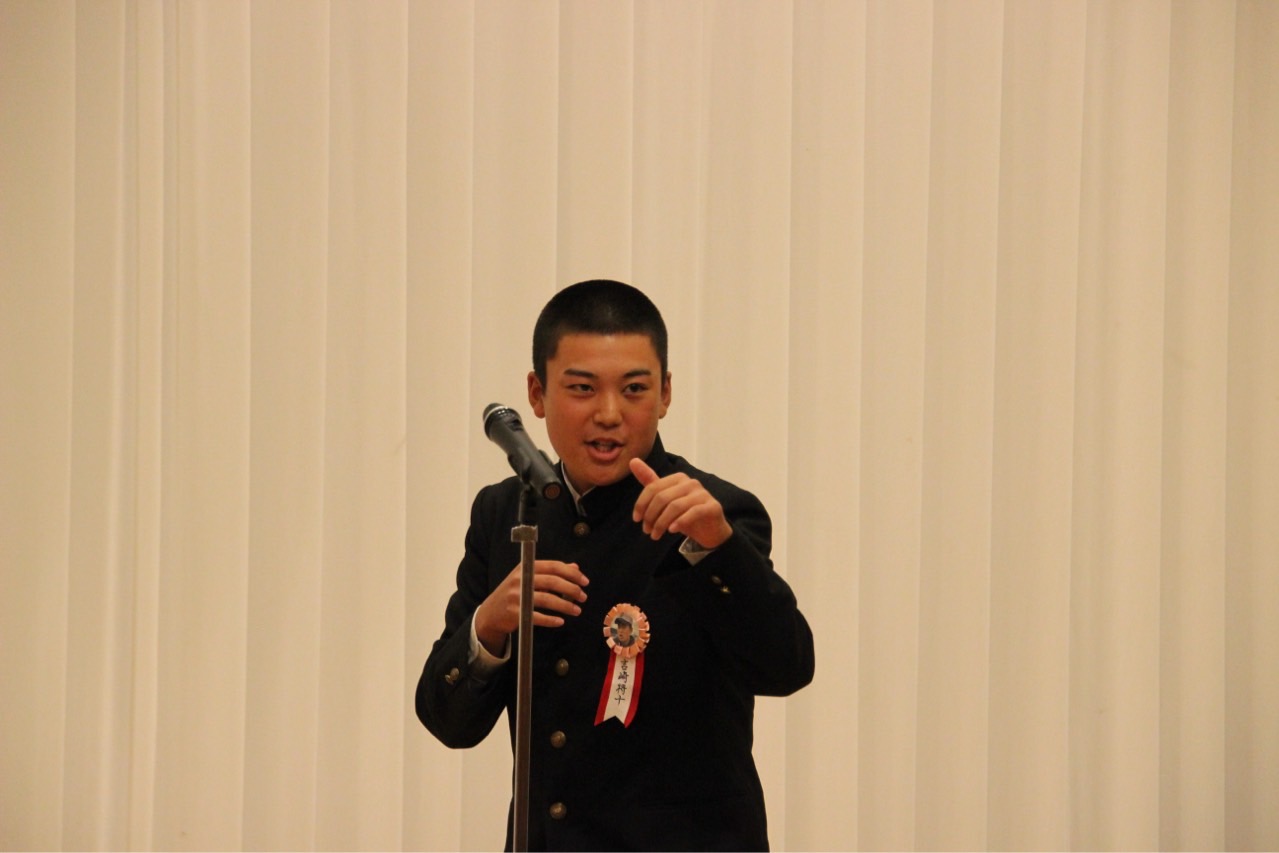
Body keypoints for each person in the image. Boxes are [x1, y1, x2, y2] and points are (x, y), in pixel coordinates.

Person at [416, 280, 815, 851]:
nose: (608, 414)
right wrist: (490, 625)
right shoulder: (504, 513)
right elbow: (447, 721)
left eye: (634, 389)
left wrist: (718, 550)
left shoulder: (714, 513)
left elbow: (786, 668)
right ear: (537, 393)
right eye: (582, 388)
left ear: (666, 393)